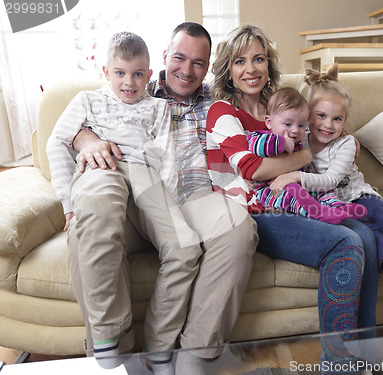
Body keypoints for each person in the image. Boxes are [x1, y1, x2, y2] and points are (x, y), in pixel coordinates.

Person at [67, 23, 258, 374]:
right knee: (84, 231)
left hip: (194, 198)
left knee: (238, 230)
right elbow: (83, 122)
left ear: (208, 66)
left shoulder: (217, 104)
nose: (187, 70)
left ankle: (195, 353)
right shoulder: (134, 86)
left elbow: (267, 117)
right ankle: (121, 352)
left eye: (198, 63)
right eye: (180, 58)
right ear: (165, 56)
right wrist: (87, 140)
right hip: (135, 202)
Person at [206, 24, 378, 373]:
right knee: (345, 242)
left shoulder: (280, 103)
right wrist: (298, 160)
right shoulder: (223, 111)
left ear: (268, 64)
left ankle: (365, 349)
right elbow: (252, 168)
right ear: (229, 69)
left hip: (292, 199)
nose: (251, 69)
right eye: (240, 61)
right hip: (254, 210)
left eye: (258, 59)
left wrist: (345, 140)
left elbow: (321, 130)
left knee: (368, 238)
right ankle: (338, 360)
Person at [47, 31, 208, 373]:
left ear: (150, 75)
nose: (129, 82)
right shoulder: (88, 101)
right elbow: (56, 144)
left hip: (145, 174)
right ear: (106, 72)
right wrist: (68, 204)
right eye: (120, 73)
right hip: (100, 166)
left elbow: (165, 157)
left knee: (185, 248)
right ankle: (108, 334)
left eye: (137, 74)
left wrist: (168, 209)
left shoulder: (159, 108)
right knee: (98, 220)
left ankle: (160, 347)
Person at [271, 64, 383, 298]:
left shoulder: (346, 143)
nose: (328, 125)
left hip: (361, 196)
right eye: (321, 116)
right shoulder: (299, 141)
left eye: (337, 119)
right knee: (366, 234)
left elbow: (331, 179)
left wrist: (295, 176)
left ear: (345, 120)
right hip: (336, 207)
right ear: (308, 115)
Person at [247, 86, 367, 224]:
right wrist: (282, 143)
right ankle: (319, 213)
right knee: (294, 189)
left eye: (301, 125)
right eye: (288, 124)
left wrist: (343, 132)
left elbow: (318, 127)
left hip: (299, 187)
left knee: (322, 192)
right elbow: (258, 147)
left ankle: (340, 208)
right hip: (271, 190)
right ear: (268, 122)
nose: (294, 130)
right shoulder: (260, 137)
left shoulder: (300, 139)